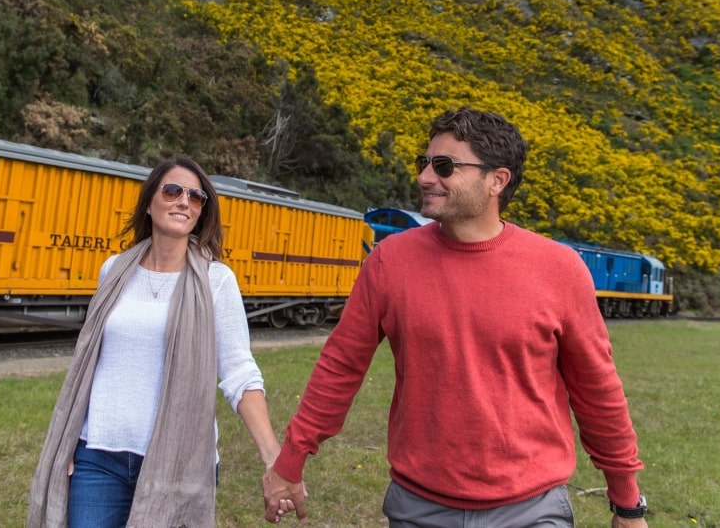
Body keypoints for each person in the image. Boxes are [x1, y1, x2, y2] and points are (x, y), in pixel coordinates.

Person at [262, 107, 650, 528]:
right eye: (424, 163)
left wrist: (627, 503)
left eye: (444, 166)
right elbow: (340, 368)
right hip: (418, 507)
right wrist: (290, 462)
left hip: (532, 510)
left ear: (496, 181)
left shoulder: (560, 268)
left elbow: (598, 390)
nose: (426, 177)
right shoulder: (390, 261)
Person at [29, 157, 294, 528]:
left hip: (178, 461)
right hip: (97, 457)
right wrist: (68, 442)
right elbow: (89, 363)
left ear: (201, 212)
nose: (184, 201)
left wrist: (273, 459)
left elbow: (239, 373)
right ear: (150, 202)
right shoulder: (114, 270)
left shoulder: (217, 281)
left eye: (196, 197)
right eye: (172, 191)